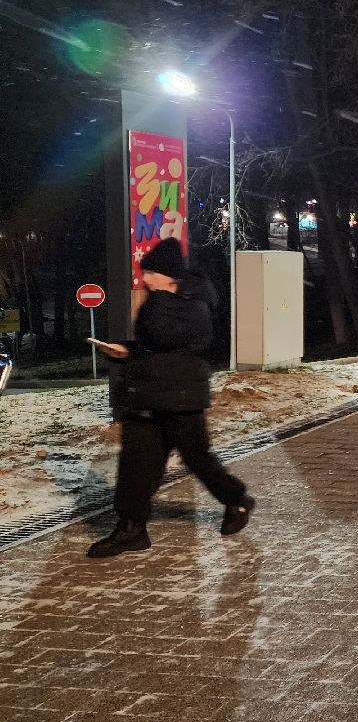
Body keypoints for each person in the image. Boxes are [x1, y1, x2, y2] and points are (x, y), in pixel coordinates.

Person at [88, 238, 254, 559]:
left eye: (149, 273)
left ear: (168, 275)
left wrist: (158, 301)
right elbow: (154, 343)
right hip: (148, 394)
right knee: (136, 463)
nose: (145, 279)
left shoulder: (195, 302)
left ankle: (236, 499)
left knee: (197, 458)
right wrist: (125, 349)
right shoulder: (162, 303)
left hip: (181, 396)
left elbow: (166, 336)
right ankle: (131, 529)